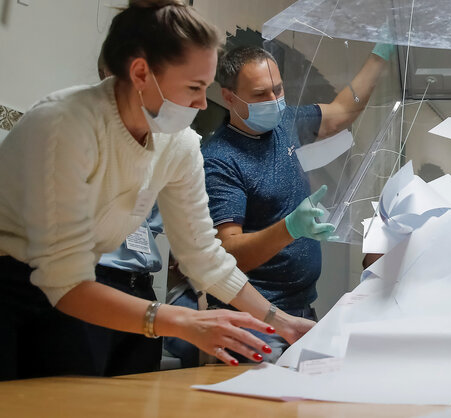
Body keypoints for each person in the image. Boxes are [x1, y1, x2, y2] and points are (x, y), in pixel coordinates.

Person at [0, 0, 314, 381]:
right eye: (194, 87)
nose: (202, 103)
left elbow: (204, 257)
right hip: (21, 289)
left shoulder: (179, 144)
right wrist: (182, 320)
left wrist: (281, 323)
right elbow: (64, 284)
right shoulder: (64, 126)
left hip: (99, 288)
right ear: (140, 73)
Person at [166, 43, 392, 363]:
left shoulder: (283, 123)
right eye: (260, 95)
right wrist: (289, 228)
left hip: (298, 308)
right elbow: (227, 254)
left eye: (278, 89)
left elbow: (341, 112)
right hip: (251, 319)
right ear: (229, 96)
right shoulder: (220, 161)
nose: (274, 102)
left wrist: (380, 56)